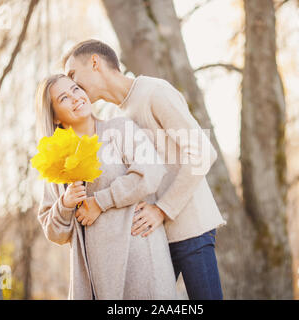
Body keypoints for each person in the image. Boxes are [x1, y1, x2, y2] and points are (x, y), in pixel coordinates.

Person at [62, 39, 226, 300]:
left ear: (94, 62)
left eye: (73, 75)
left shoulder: (154, 92)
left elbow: (202, 152)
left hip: (190, 229)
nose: (73, 85)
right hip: (155, 238)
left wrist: (162, 209)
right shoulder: (116, 117)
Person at [34, 74, 177, 299]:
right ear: (54, 118)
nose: (75, 98)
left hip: (139, 257)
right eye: (64, 98)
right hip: (93, 275)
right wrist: (65, 203)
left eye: (76, 89)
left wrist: (101, 201)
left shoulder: (120, 129)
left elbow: (150, 172)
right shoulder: (54, 160)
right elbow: (55, 233)